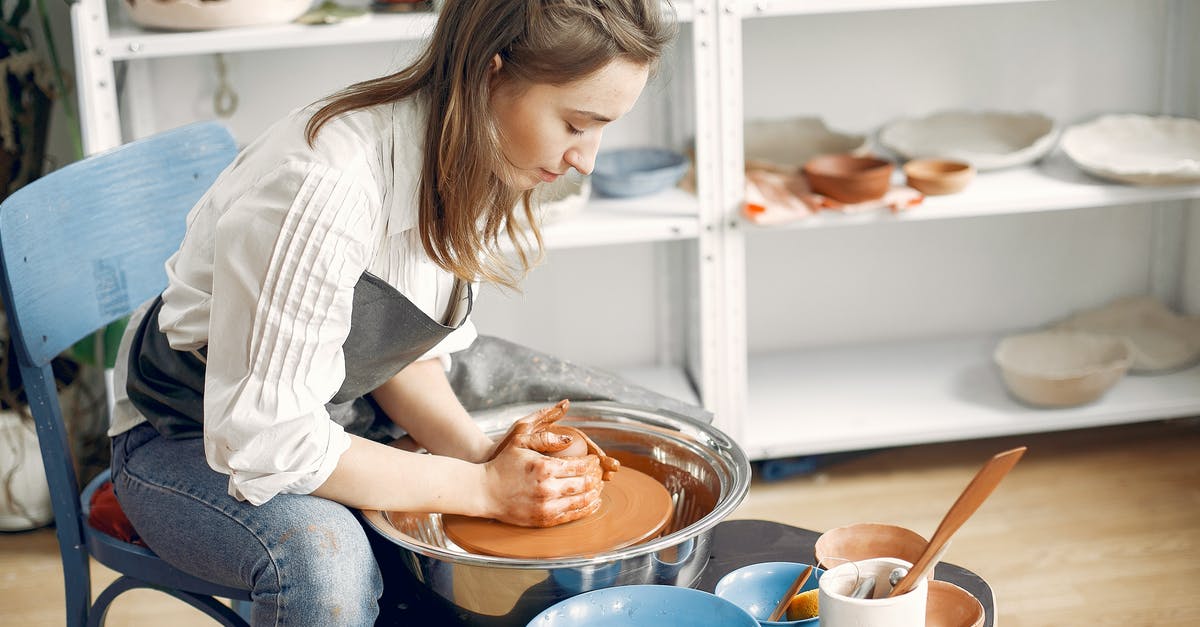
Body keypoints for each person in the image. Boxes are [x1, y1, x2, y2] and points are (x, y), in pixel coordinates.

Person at [105, 0, 692, 624]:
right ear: (490, 75)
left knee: (657, 427)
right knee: (324, 561)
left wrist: (477, 454)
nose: (587, 159)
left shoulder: (471, 151)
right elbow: (268, 440)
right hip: (191, 433)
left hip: (341, 392)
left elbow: (392, 352)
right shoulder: (322, 188)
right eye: (576, 124)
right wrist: (488, 490)